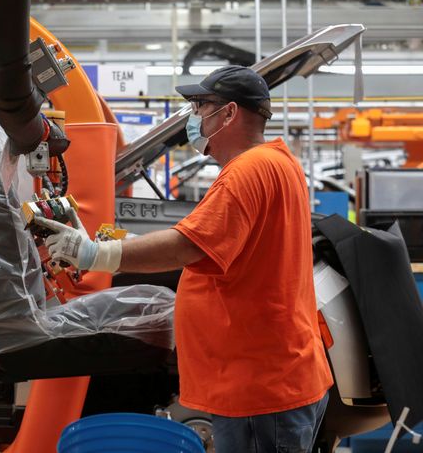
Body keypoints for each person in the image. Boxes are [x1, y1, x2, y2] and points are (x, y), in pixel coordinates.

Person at [35, 65, 334, 453]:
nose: (194, 117)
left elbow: (187, 245)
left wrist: (96, 253)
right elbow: (213, 241)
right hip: (274, 374)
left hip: (260, 387)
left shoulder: (246, 171)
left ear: (228, 113)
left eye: (200, 106)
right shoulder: (278, 162)